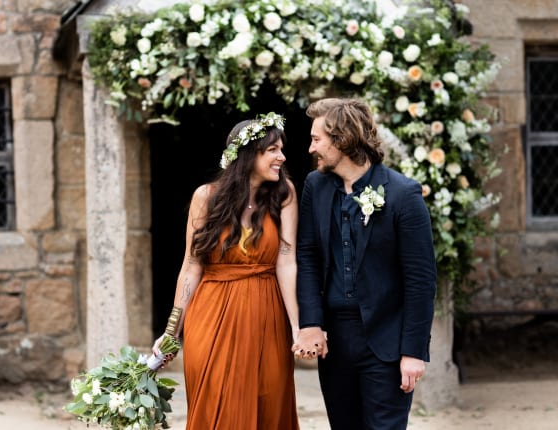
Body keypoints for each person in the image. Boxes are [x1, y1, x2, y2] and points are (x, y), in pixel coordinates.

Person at [292, 97, 437, 429]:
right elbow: (309, 256)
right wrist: (311, 322)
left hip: (387, 340)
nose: (311, 148)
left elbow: (421, 280)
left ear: (342, 140)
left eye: (317, 139)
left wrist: (413, 352)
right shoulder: (315, 186)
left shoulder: (403, 194)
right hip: (336, 343)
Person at [153, 112, 300, 430]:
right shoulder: (205, 197)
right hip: (212, 315)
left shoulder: (284, 193)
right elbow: (191, 267)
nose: (282, 157)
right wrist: (171, 332)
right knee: (216, 405)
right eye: (273, 149)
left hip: (267, 317)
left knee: (270, 401)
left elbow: (287, 261)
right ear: (250, 154)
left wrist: (298, 327)